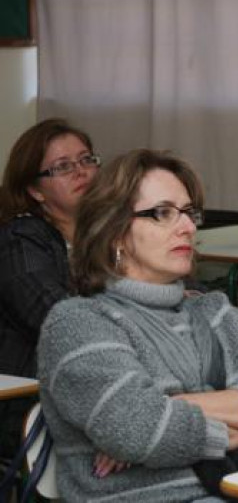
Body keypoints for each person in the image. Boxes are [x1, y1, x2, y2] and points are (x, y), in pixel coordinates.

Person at [37, 149, 238, 501]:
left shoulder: (213, 311)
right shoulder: (77, 323)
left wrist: (177, 405)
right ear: (115, 232)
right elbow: (140, 429)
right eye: (162, 213)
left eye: (188, 212)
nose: (187, 227)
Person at [0, 118, 100, 458]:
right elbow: (59, 318)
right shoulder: (21, 240)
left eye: (87, 159)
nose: (81, 171)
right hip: (35, 399)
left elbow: (186, 294)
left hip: (105, 385)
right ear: (35, 190)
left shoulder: (114, 230)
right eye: (63, 166)